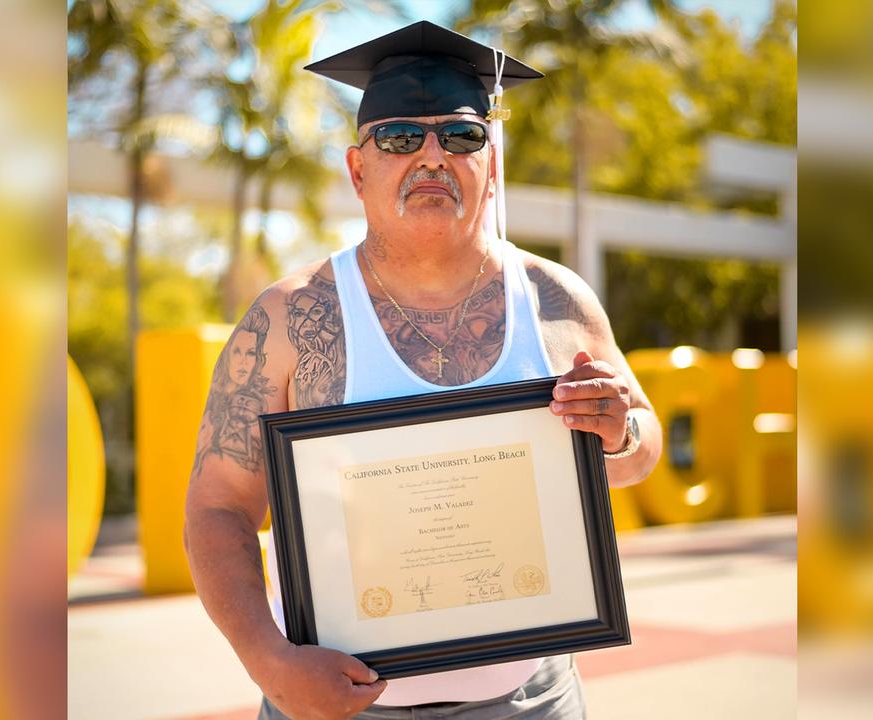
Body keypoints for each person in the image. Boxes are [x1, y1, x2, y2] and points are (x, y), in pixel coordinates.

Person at [185, 21, 662, 720]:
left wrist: (619, 432)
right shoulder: (289, 319)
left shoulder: (557, 302)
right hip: (334, 706)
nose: (433, 156)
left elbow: (638, 449)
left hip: (529, 701)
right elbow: (219, 504)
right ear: (358, 169)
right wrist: (270, 663)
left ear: (491, 164)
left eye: (461, 136)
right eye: (402, 137)